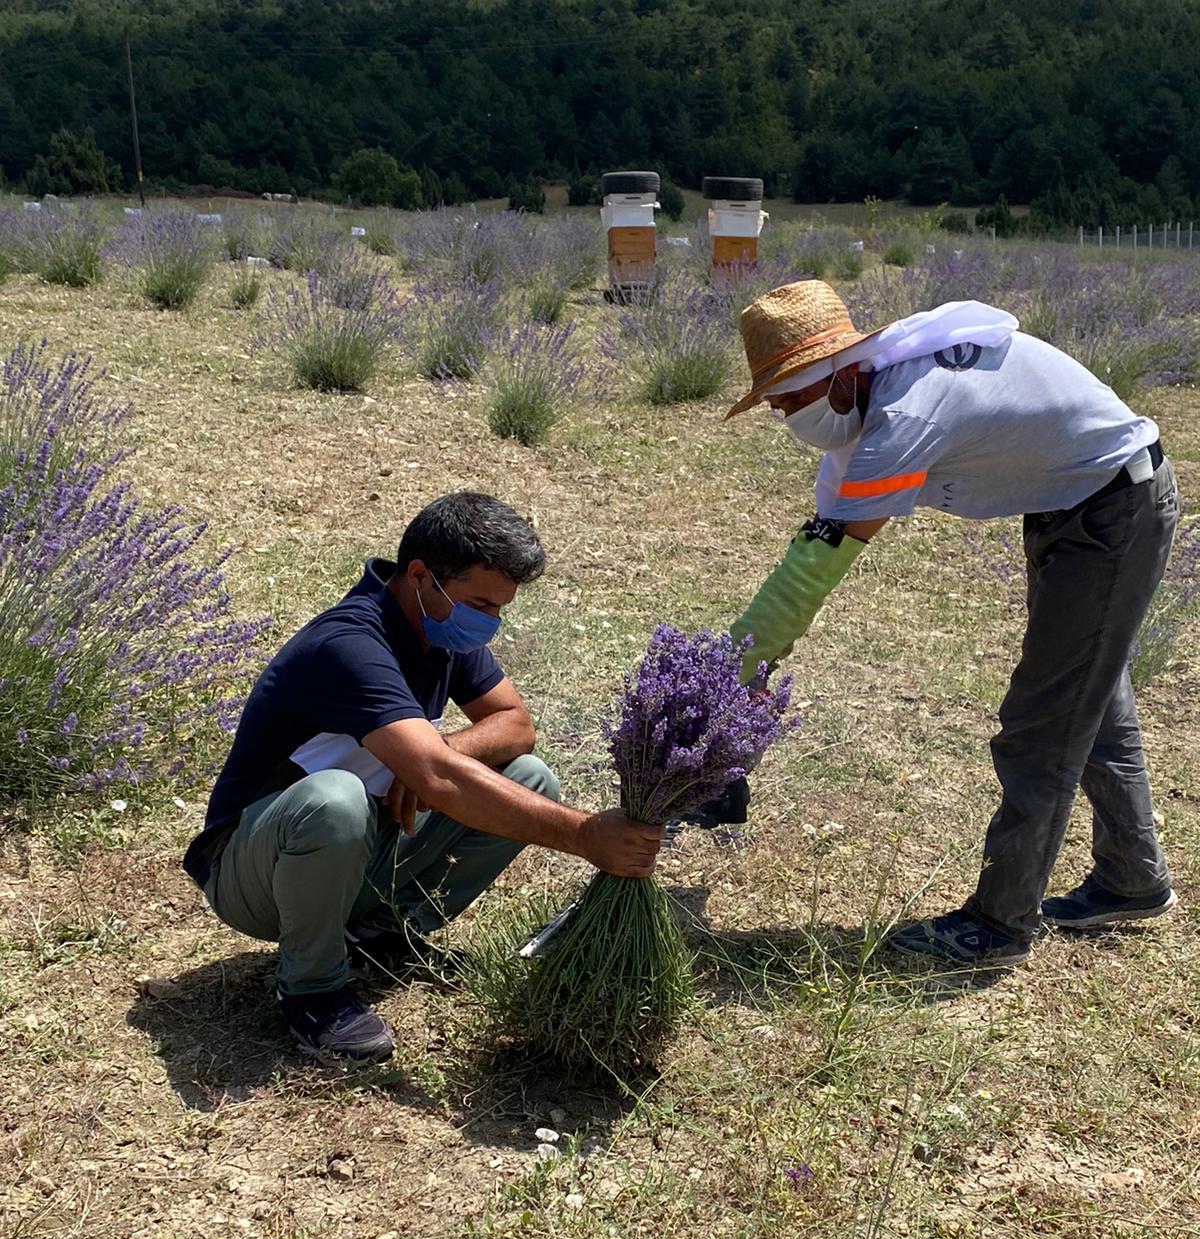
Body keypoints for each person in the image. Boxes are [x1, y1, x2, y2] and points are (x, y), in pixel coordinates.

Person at [714, 279, 1179, 968]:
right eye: (773, 405)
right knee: (1090, 698)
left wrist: (730, 678)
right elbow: (813, 544)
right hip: (1075, 502)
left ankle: (999, 923)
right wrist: (741, 671)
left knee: (1042, 724)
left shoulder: (907, 415)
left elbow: (816, 568)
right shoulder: (874, 398)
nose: (784, 416)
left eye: (788, 399)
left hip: (1113, 509)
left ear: (840, 378)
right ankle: (1132, 878)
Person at [183, 491, 663, 1062]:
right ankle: (312, 990)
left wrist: (435, 754)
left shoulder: (438, 632)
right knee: (336, 799)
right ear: (420, 577)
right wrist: (584, 836)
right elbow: (439, 778)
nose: (489, 623)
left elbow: (515, 726)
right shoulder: (349, 645)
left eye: (499, 608)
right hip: (253, 870)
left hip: (361, 849)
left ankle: (385, 935)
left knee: (530, 777)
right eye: (479, 603)